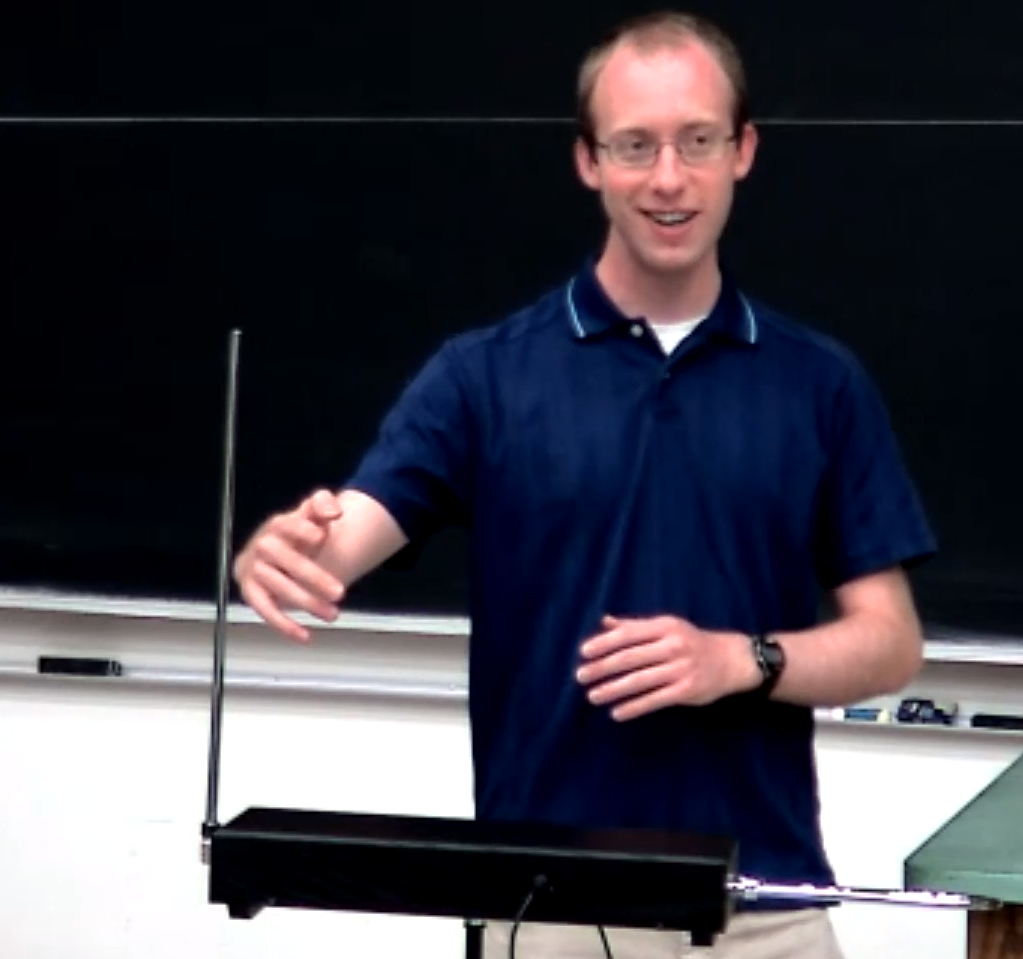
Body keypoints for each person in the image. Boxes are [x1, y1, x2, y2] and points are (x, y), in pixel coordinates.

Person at [232, 10, 936, 958]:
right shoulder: (483, 378)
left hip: (763, 903)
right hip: (548, 903)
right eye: (635, 145)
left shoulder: (819, 384)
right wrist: (297, 550)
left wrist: (742, 660)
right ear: (589, 161)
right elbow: (352, 531)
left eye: (697, 140)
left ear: (744, 151)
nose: (669, 178)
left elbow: (888, 643)